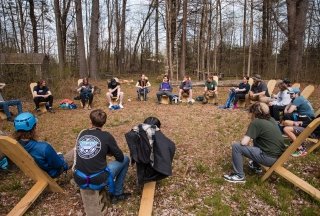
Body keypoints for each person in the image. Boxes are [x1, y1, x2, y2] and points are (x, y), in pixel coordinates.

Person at [73, 109, 131, 204]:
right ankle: (118, 193)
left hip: (79, 178)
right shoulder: (106, 136)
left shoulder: (82, 133)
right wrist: (108, 152)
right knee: (125, 159)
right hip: (97, 180)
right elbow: (120, 157)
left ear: (90, 122)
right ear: (104, 123)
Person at [223, 102, 285, 183]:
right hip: (278, 157)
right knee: (256, 139)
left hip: (268, 158)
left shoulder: (256, 122)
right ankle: (256, 166)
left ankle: (239, 176)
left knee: (236, 147)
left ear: (255, 113)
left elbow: (243, 143)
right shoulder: (272, 119)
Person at [13, 112, 73, 178]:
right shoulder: (44, 147)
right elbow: (59, 165)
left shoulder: (16, 146)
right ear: (34, 128)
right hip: (52, 172)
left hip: (39, 173)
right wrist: (60, 156)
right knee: (77, 151)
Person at [125, 117, 176, 185]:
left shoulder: (137, 129)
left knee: (141, 166)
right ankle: (149, 178)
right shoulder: (155, 132)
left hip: (139, 157)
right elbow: (169, 145)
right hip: (148, 159)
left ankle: (141, 180)